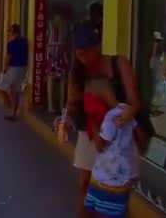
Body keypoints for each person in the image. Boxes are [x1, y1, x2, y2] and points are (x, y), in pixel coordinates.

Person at [59, 22, 145, 217]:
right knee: (86, 185)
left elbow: (135, 102)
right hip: (90, 132)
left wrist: (121, 110)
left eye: (86, 53)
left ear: (97, 47)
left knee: (119, 191)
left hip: (120, 137)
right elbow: (71, 103)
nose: (83, 59)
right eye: (79, 55)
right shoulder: (78, 71)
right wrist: (64, 120)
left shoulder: (119, 64)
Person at [82, 79, 138, 218]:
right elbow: (138, 134)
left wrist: (94, 124)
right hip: (122, 174)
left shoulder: (110, 116)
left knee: (103, 212)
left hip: (108, 178)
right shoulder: (126, 110)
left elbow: (100, 145)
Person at [0, 24, 28, 120]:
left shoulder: (11, 44)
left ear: (12, 32)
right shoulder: (24, 42)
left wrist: (4, 69)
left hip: (13, 68)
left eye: (10, 31)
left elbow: (8, 57)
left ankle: (10, 107)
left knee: (0, 88)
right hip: (23, 68)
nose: (9, 33)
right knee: (15, 91)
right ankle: (13, 112)